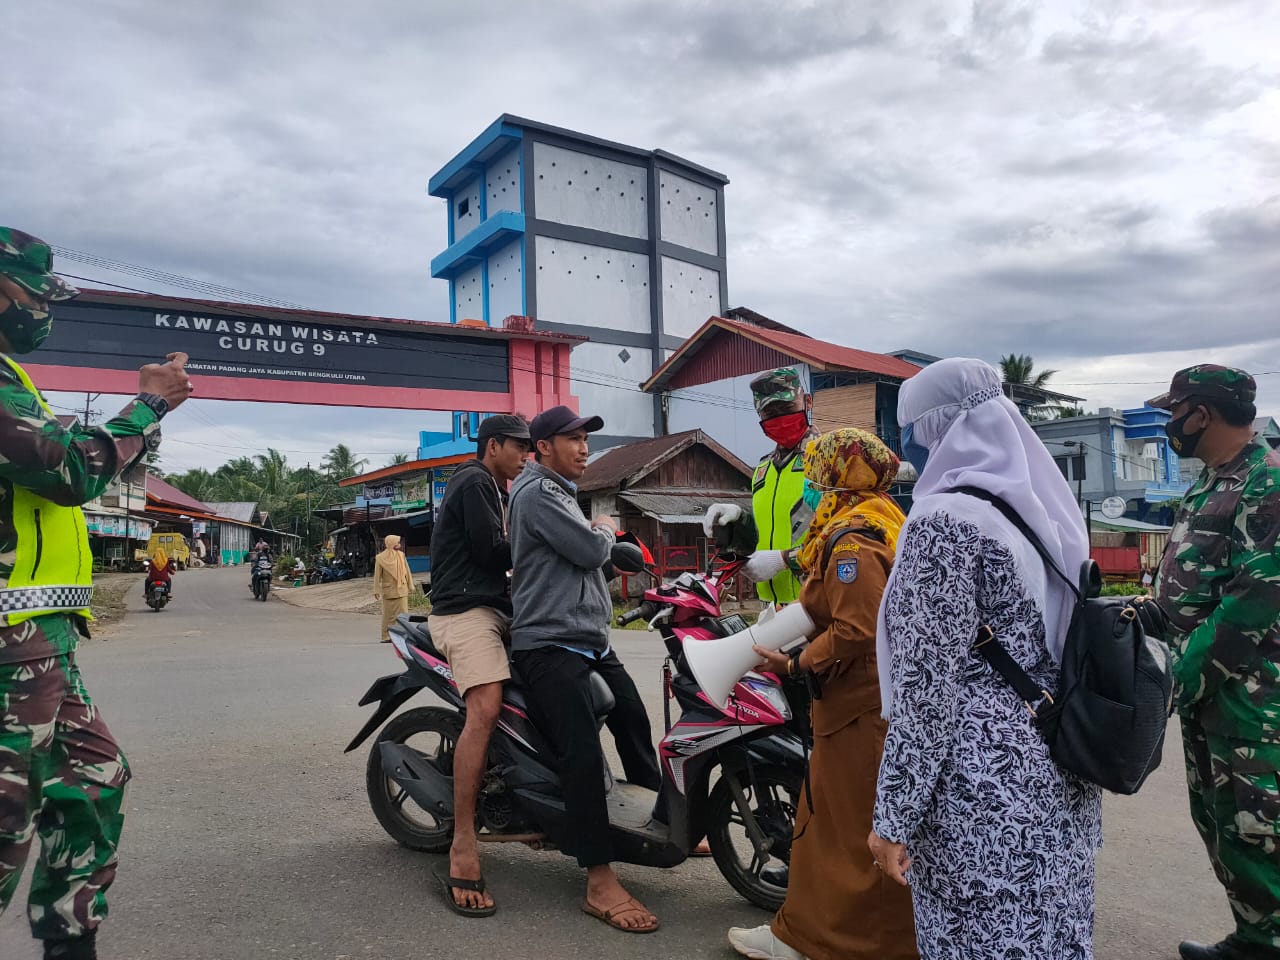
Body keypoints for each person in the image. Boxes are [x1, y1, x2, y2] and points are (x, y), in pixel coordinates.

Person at [0, 227, 193, 960]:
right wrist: (145, 408)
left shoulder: (11, 374)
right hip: (6, 653)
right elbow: (65, 471)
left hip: (39, 640)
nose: (44, 311)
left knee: (92, 784)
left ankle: (68, 941)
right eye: (35, 294)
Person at [868, 357, 1102, 959]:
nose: (912, 449)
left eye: (914, 433)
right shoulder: (1046, 512)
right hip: (1059, 768)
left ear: (939, 428)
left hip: (983, 792)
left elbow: (928, 689)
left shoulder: (945, 521)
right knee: (1052, 937)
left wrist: (892, 818)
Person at [728, 428, 918, 960]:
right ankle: (807, 931)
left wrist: (795, 660)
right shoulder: (883, 518)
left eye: (816, 474)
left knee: (847, 829)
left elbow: (857, 628)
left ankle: (839, 942)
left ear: (838, 475)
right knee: (830, 822)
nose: (810, 486)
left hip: (857, 705)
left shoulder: (853, 538)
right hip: (869, 701)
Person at [508, 404, 662, 934]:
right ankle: (598, 879)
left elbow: (595, 556)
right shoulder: (538, 494)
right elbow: (585, 548)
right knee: (580, 751)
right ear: (544, 447)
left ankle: (662, 825)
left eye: (586, 440)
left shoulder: (562, 494)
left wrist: (602, 540)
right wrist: (603, 530)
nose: (583, 448)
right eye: (573, 439)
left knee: (635, 723)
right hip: (548, 643)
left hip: (589, 640)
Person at [1148, 365, 1280, 960]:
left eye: (1175, 410)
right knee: (1221, 824)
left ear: (1202, 412)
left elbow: (1252, 605)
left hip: (1251, 704)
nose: (1170, 422)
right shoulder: (1209, 484)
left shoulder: (1266, 483)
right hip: (1209, 701)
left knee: (1261, 831)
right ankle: (1252, 939)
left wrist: (1175, 680)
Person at [427, 413, 531, 916]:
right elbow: (493, 553)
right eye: (519, 447)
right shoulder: (474, 482)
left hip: (498, 607)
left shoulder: (500, 489)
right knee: (486, 707)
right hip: (464, 610)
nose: (525, 455)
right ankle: (464, 842)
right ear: (493, 446)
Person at [704, 367, 820, 604]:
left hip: (817, 605)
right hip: (770, 609)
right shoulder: (763, 470)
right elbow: (764, 537)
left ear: (807, 402)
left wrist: (783, 559)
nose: (779, 419)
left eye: (785, 409)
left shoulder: (829, 460)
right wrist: (739, 522)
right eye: (769, 413)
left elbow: (844, 538)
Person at [372, 534, 414, 643]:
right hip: (389, 591)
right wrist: (376, 590)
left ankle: (404, 635)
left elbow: (407, 571)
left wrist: (410, 585)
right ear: (391, 544)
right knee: (388, 615)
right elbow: (377, 576)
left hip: (402, 589)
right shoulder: (380, 558)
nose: (399, 545)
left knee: (403, 614)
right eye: (397, 542)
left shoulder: (401, 555)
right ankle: (386, 636)